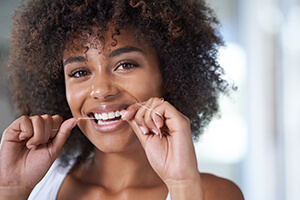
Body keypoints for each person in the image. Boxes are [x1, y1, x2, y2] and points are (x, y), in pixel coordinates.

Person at [0, 0, 244, 199]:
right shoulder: (35, 188)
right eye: (79, 72)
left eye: (125, 65)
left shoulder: (214, 194)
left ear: (168, 74)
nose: (101, 90)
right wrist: (11, 192)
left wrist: (182, 186)